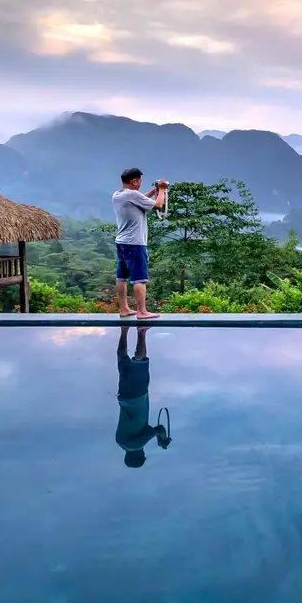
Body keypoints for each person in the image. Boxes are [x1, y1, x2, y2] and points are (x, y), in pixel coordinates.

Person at [112, 167, 168, 318]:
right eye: (140, 181)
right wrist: (162, 190)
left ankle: (124, 309)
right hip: (135, 242)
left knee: (121, 277)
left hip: (122, 241)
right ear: (134, 181)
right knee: (139, 278)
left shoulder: (118, 195)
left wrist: (152, 192)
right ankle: (142, 311)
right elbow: (158, 205)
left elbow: (138, 199)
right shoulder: (133, 195)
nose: (141, 184)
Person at [115, 324, 170, 468]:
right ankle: (124, 329)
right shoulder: (120, 442)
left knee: (140, 363)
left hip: (137, 398)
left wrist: (162, 440)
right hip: (124, 398)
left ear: (139, 456)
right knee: (123, 362)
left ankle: (141, 332)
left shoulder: (137, 445)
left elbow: (160, 429)